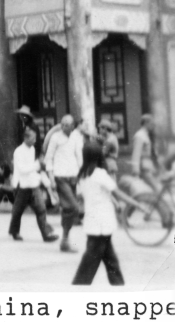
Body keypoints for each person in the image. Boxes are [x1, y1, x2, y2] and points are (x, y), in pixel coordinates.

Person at [73, 142, 148, 285]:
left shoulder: (82, 175)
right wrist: (137, 204)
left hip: (92, 221)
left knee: (110, 259)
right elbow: (117, 193)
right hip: (103, 222)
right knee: (91, 260)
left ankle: (118, 285)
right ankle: (79, 287)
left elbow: (87, 196)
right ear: (99, 156)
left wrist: (111, 201)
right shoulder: (100, 174)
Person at [8, 126, 58, 243]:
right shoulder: (18, 151)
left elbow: (35, 169)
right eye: (32, 138)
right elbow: (22, 169)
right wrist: (37, 165)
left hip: (33, 185)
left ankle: (46, 234)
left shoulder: (32, 150)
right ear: (25, 138)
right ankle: (15, 231)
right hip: (22, 186)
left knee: (41, 209)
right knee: (18, 211)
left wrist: (42, 177)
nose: (35, 141)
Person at [45, 114, 83, 253]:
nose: (64, 127)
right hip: (60, 176)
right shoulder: (56, 137)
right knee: (73, 207)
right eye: (62, 124)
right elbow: (48, 158)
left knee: (68, 209)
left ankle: (65, 240)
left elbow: (79, 156)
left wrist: (81, 174)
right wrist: (51, 178)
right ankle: (65, 239)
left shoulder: (77, 137)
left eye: (67, 124)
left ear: (73, 126)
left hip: (73, 176)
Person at [131, 114, 160, 192]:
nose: (153, 126)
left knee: (152, 189)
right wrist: (135, 170)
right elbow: (136, 154)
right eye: (151, 123)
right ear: (146, 123)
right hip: (143, 168)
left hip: (148, 167)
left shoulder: (146, 135)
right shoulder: (139, 136)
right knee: (156, 189)